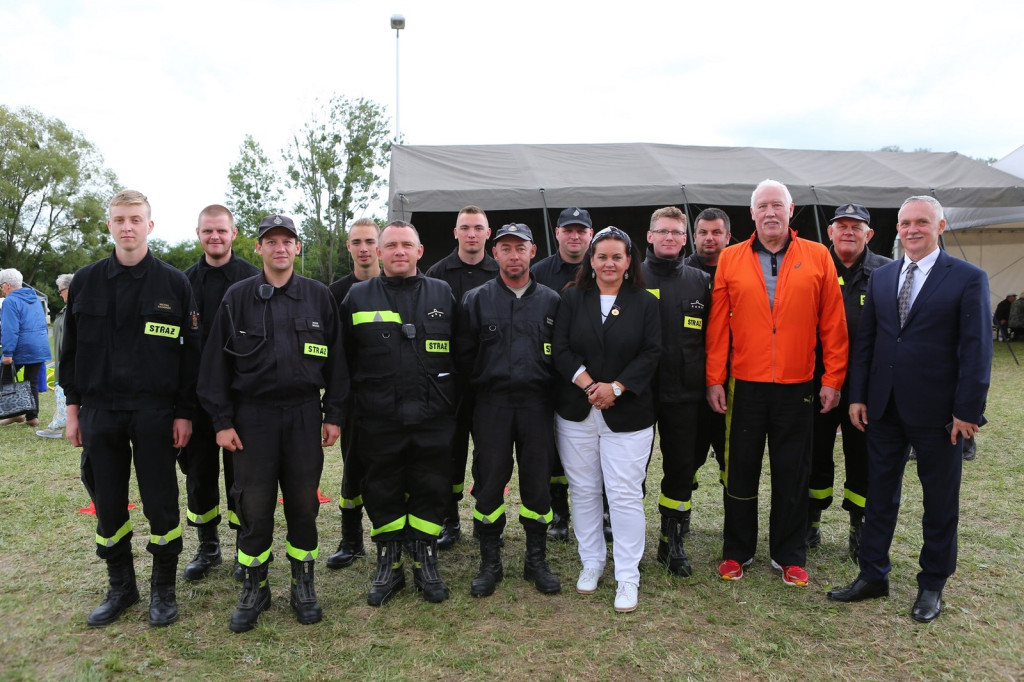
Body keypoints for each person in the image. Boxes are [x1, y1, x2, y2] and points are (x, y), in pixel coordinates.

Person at [828, 196, 992, 623]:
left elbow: (977, 349)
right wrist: (859, 396)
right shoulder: (882, 277)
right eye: (905, 223)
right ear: (896, 229)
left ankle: (932, 584)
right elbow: (868, 342)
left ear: (940, 226)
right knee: (879, 496)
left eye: (921, 222)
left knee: (940, 503)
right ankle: (872, 574)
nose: (912, 229)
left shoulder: (967, 278)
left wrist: (968, 410)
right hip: (883, 409)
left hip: (941, 416)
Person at [198, 214, 347, 632]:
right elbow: (214, 368)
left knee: (303, 505)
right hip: (252, 419)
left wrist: (333, 413)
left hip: (303, 415)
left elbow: (338, 364)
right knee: (254, 508)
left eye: (288, 241)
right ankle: (255, 586)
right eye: (271, 241)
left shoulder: (319, 297)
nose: (280, 248)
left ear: (298, 248)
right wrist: (222, 421)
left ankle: (303, 585)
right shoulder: (237, 297)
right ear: (259, 248)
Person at [62, 190, 201, 627]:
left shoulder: (174, 283)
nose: (127, 227)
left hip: (154, 411)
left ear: (149, 226)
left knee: (160, 500)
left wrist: (184, 411)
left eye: (135, 219)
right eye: (119, 219)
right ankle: (121, 585)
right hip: (100, 409)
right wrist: (72, 408)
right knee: (107, 501)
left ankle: (164, 588)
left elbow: (190, 355)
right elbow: (69, 352)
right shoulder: (85, 281)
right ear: (109, 226)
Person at [706, 179, 847, 588]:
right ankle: (738, 550)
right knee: (740, 470)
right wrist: (715, 378)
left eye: (777, 205)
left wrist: (833, 378)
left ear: (791, 210)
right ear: (751, 214)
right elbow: (717, 327)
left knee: (792, 472)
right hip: (744, 385)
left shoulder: (818, 255)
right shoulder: (731, 258)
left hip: (797, 384)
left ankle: (789, 555)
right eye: (762, 205)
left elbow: (833, 326)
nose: (770, 212)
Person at [342, 220, 457, 606]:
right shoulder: (358, 297)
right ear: (378, 253)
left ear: (420, 251)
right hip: (378, 417)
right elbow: (343, 361)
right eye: (390, 246)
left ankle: (425, 556)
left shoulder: (443, 293)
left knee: (432, 485)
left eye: (407, 245)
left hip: (433, 415)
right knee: (381, 487)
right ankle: (389, 562)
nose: (399, 252)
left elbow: (462, 355)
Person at [552, 226, 661, 613]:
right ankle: (592, 562)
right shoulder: (571, 298)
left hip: (628, 414)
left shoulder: (645, 303)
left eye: (617, 256)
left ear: (630, 261)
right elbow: (560, 349)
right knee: (582, 490)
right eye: (602, 257)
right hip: (577, 411)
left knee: (624, 495)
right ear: (591, 261)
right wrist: (589, 386)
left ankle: (627, 575)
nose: (609, 263)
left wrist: (615, 387)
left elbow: (651, 354)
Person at [456, 222, 562, 597]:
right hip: (492, 406)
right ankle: (491, 562)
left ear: (533, 252)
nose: (513, 255)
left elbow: (562, 357)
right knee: (489, 486)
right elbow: (464, 360)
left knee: (537, 486)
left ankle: (537, 560)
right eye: (505, 248)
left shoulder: (552, 300)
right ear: (494, 253)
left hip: (537, 405)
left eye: (520, 248)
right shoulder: (476, 299)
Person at [806, 204, 891, 560]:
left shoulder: (887, 272)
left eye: (857, 227)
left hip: (865, 386)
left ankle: (860, 525)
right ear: (830, 232)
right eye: (841, 226)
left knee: (862, 457)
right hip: (816, 380)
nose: (848, 232)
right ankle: (810, 520)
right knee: (813, 453)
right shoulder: (811, 266)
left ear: (869, 234)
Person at [180, 205, 259, 582]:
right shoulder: (183, 283)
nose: (215, 237)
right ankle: (207, 545)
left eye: (221, 231)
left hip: (241, 398)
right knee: (199, 474)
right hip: (196, 399)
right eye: (208, 231)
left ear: (234, 233)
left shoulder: (252, 278)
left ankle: (246, 545)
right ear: (198, 233)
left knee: (241, 477)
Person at [641, 207, 712, 577]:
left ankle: (672, 541)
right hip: (637, 393)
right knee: (630, 471)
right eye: (662, 231)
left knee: (681, 468)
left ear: (686, 239)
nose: (669, 238)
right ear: (649, 236)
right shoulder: (629, 275)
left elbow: (713, 339)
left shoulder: (701, 281)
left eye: (676, 232)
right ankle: (629, 538)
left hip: (685, 395)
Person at [424, 206, 498, 549]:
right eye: (465, 227)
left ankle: (486, 523)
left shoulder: (502, 273)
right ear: (455, 233)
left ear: (488, 233)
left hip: (490, 386)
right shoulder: (436, 276)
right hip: (449, 386)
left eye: (478, 228)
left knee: (489, 456)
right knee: (448, 455)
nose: (471, 233)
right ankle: (448, 520)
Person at [532, 206, 595, 541]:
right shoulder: (539, 272)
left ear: (590, 234)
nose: (574, 236)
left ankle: (603, 512)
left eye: (581, 230)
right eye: (568, 230)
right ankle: (559, 514)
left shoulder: (604, 267)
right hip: (552, 375)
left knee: (597, 448)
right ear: (557, 233)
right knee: (553, 452)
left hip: (593, 375)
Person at [325, 217, 381, 570]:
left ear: (379, 246)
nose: (363, 248)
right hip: (353, 400)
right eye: (356, 241)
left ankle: (394, 538)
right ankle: (351, 540)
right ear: (348, 247)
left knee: (392, 469)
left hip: (392, 396)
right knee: (353, 469)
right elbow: (331, 353)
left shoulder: (397, 285)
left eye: (369, 241)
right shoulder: (333, 293)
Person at [685, 208, 731, 477]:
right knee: (688, 455)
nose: (709, 238)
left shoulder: (741, 270)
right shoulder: (681, 272)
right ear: (693, 236)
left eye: (716, 232)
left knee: (732, 455)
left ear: (728, 236)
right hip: (691, 378)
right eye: (703, 232)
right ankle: (679, 517)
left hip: (732, 376)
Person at [0, 268, 52, 427]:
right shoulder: (35, 298)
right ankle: (32, 417)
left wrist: (7, 352)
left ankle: (14, 413)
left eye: (1, 285)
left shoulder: (10, 301)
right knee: (32, 382)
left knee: (5, 378)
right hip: (39, 346)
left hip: (21, 346)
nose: (1, 289)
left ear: (8, 285)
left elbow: (10, 328)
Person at [36, 273, 74, 438]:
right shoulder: (65, 310)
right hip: (62, 360)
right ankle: (58, 424)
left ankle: (58, 425)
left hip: (71, 362)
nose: (59, 294)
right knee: (61, 392)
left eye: (61, 291)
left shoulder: (75, 309)